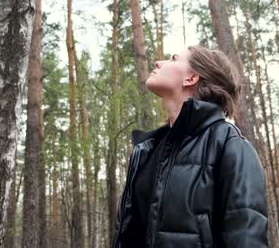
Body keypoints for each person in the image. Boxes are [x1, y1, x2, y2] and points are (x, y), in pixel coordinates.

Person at [113, 45, 268, 248]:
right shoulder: (145, 151)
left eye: (173, 58)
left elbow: (246, 239)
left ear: (191, 78)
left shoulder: (230, 145)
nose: (159, 62)